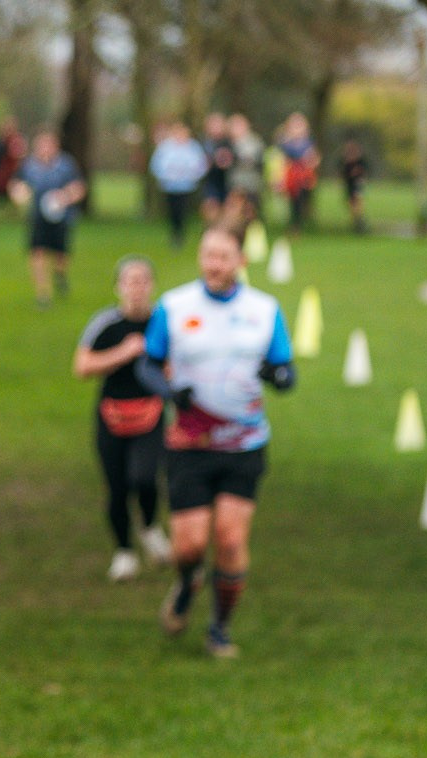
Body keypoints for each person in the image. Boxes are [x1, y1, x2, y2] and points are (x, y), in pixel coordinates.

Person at [147, 226, 296, 659]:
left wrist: (279, 376)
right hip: (189, 445)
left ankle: (220, 628)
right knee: (190, 546)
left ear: (240, 262)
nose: (214, 264)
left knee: (230, 542)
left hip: (243, 444)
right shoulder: (174, 306)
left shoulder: (264, 310)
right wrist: (169, 392)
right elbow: (149, 366)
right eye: (208, 255)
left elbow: (286, 371)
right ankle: (187, 583)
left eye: (224, 256)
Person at [74, 257, 171, 582]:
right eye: (130, 281)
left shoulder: (163, 322)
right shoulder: (105, 324)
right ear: (118, 287)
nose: (137, 288)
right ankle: (124, 552)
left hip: (151, 414)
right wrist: (125, 352)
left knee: (144, 477)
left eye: (143, 280)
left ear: (152, 285)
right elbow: (82, 367)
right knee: (116, 488)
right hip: (111, 416)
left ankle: (149, 526)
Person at [10, 129, 87, 306]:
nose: (45, 149)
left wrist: (65, 197)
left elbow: (79, 187)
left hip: (62, 218)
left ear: (56, 147)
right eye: (41, 145)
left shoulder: (66, 165)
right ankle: (43, 293)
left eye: (48, 145)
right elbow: (16, 185)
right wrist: (19, 194)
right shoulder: (28, 165)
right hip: (37, 217)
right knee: (37, 252)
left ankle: (60, 274)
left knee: (61, 255)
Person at [148, 121, 208, 249]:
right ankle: (175, 232)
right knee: (172, 210)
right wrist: (167, 175)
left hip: (186, 186)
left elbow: (200, 165)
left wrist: (191, 175)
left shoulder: (193, 147)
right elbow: (156, 165)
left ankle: (180, 233)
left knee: (182, 210)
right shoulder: (165, 147)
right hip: (169, 185)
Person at [276, 114, 319, 231]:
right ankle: (295, 226)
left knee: (303, 200)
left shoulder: (308, 143)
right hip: (292, 177)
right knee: (294, 202)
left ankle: (302, 222)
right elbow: (281, 161)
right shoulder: (286, 143)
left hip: (304, 177)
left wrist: (311, 162)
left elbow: (314, 159)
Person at [200, 112, 235, 223]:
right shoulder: (204, 143)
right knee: (211, 207)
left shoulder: (229, 142)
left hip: (228, 181)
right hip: (211, 181)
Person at [0, 115, 26, 211]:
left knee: (10, 192)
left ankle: (11, 210)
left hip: (10, 172)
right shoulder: (0, 142)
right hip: (0, 172)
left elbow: (19, 156)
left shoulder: (15, 141)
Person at [339, 138, 369, 234]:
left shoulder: (360, 160)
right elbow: (342, 172)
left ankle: (359, 220)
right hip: (349, 184)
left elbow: (364, 170)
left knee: (358, 200)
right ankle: (356, 221)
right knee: (350, 202)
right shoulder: (344, 160)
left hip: (357, 183)